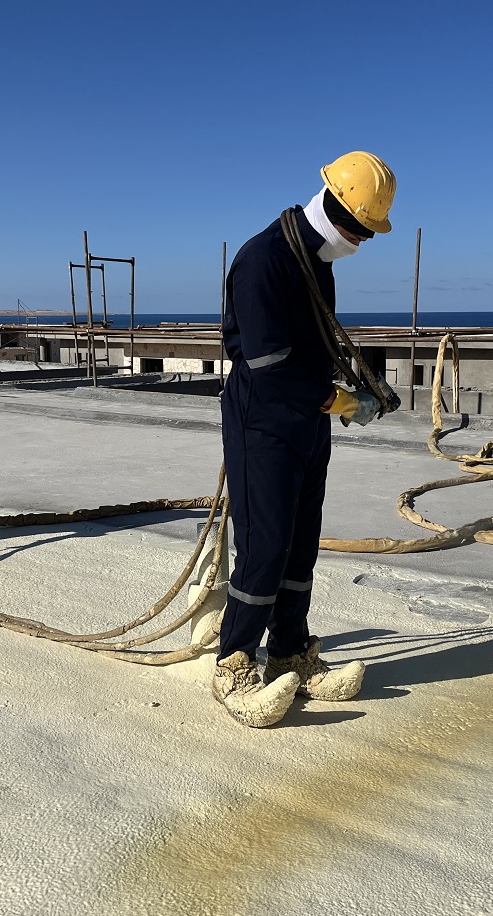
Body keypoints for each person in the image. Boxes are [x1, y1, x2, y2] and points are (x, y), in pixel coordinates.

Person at [214, 152, 398, 727]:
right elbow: (268, 362)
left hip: (306, 424)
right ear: (336, 206)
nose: (361, 242)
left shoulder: (314, 261)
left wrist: (347, 385)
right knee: (265, 546)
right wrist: (338, 400)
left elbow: (313, 344)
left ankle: (290, 651)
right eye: (359, 230)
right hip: (263, 422)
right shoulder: (263, 260)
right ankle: (234, 664)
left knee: (300, 545)